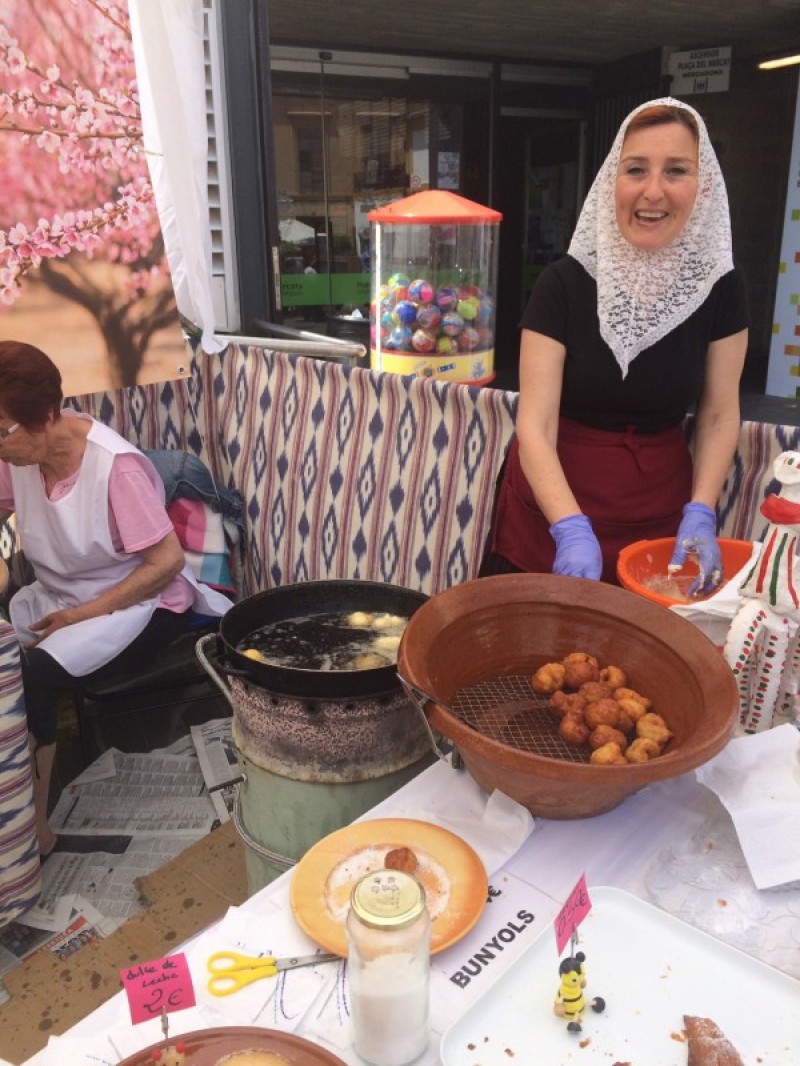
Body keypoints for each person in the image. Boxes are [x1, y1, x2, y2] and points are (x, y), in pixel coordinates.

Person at [482, 97, 748, 592]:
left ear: (703, 185)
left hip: (659, 516)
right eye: (636, 170)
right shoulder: (562, 284)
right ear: (611, 182)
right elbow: (535, 423)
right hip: (551, 507)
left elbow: (717, 414)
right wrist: (569, 527)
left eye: (676, 171)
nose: (653, 191)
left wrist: (702, 510)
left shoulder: (722, 289)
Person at [0, 341, 234, 858]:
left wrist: (82, 616)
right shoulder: (17, 454)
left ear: (43, 417)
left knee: (34, 675)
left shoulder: (114, 468)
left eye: (1, 432)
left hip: (138, 602)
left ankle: (36, 825)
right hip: (63, 594)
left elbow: (166, 563)